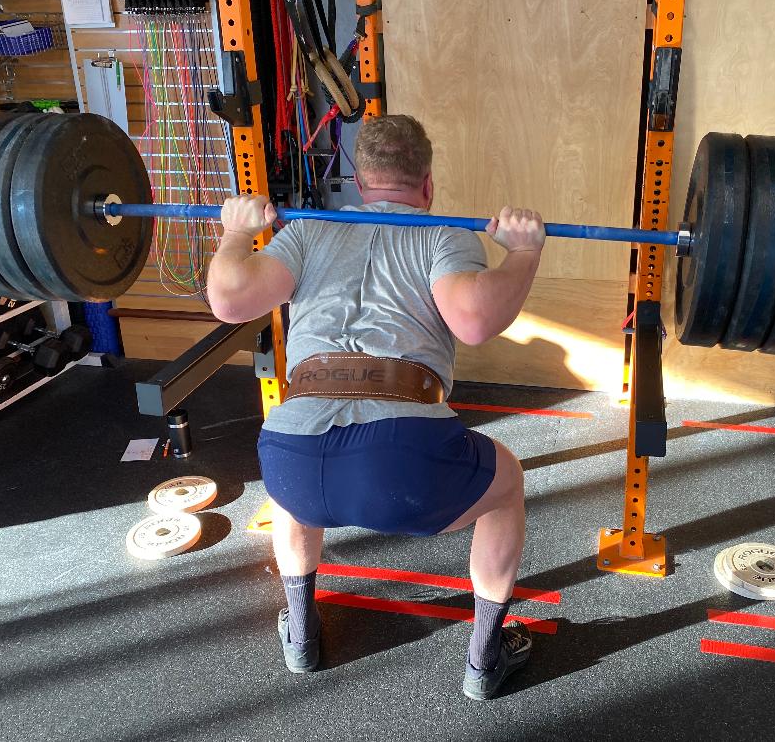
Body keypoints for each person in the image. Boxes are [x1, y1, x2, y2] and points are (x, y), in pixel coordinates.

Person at [206, 114, 545, 700]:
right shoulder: (443, 233)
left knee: (290, 489)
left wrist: (235, 232)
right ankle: (485, 659)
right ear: (428, 185)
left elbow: (230, 298)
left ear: (359, 183)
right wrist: (522, 253)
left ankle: (299, 634)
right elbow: (475, 319)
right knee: (506, 481)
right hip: (403, 466)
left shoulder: (310, 231)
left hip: (294, 459)